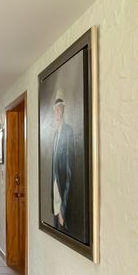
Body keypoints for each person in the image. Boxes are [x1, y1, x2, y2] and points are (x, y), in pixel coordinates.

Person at [50, 90, 87, 241]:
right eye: (55, 110)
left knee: (64, 236)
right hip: (54, 198)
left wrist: (63, 208)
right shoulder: (55, 135)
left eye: (59, 109)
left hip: (63, 198)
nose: (57, 113)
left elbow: (70, 172)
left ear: (63, 111)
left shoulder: (68, 131)